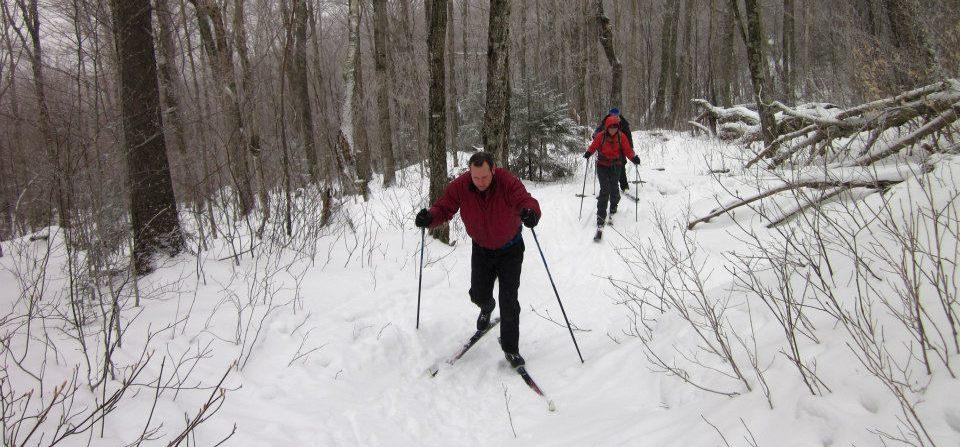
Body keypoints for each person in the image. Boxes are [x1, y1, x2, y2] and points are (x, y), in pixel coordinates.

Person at [414, 152, 541, 368]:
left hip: (510, 249)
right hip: (481, 249)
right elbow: (445, 207)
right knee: (478, 294)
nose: (480, 182)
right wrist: (431, 217)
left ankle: (511, 350)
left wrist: (531, 213)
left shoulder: (507, 181)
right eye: (476, 178)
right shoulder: (461, 185)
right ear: (470, 173)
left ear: (493, 170)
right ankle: (487, 306)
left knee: (509, 301)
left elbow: (525, 200)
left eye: (484, 177)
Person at [584, 115, 640, 227]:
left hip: (616, 165)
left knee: (614, 188)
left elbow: (628, 150)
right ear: (607, 127)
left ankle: (614, 205)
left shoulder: (621, 137)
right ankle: (600, 216)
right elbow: (593, 146)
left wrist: (634, 158)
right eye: (611, 127)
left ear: (618, 127)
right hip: (602, 165)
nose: (613, 129)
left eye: (615, 127)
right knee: (605, 190)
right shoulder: (601, 136)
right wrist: (588, 153)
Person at [593, 108, 634, 192]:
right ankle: (608, 187)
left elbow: (628, 136)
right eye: (613, 116)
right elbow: (596, 134)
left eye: (616, 116)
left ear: (619, 115)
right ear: (610, 115)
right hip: (606, 149)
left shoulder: (624, 123)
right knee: (606, 167)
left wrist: (631, 148)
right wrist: (597, 140)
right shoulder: (605, 122)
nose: (615, 118)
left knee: (621, 166)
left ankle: (624, 186)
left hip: (620, 149)